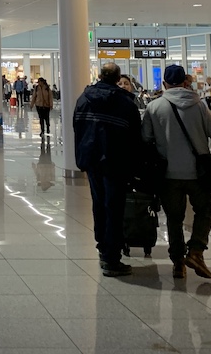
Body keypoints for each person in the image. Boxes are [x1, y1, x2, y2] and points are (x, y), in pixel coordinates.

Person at [141, 64, 211, 280]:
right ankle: (196, 251)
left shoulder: (154, 107)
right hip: (198, 174)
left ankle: (178, 263)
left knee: (174, 219)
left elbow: (146, 140)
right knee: (206, 209)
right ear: (186, 83)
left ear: (164, 84)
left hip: (168, 175)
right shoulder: (200, 106)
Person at [73, 62, 142, 277]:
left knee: (99, 204)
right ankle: (112, 257)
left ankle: (103, 247)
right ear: (117, 78)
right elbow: (135, 138)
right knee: (115, 207)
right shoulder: (125, 103)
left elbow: (77, 128)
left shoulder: (84, 99)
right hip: (117, 162)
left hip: (93, 160)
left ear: (100, 76)